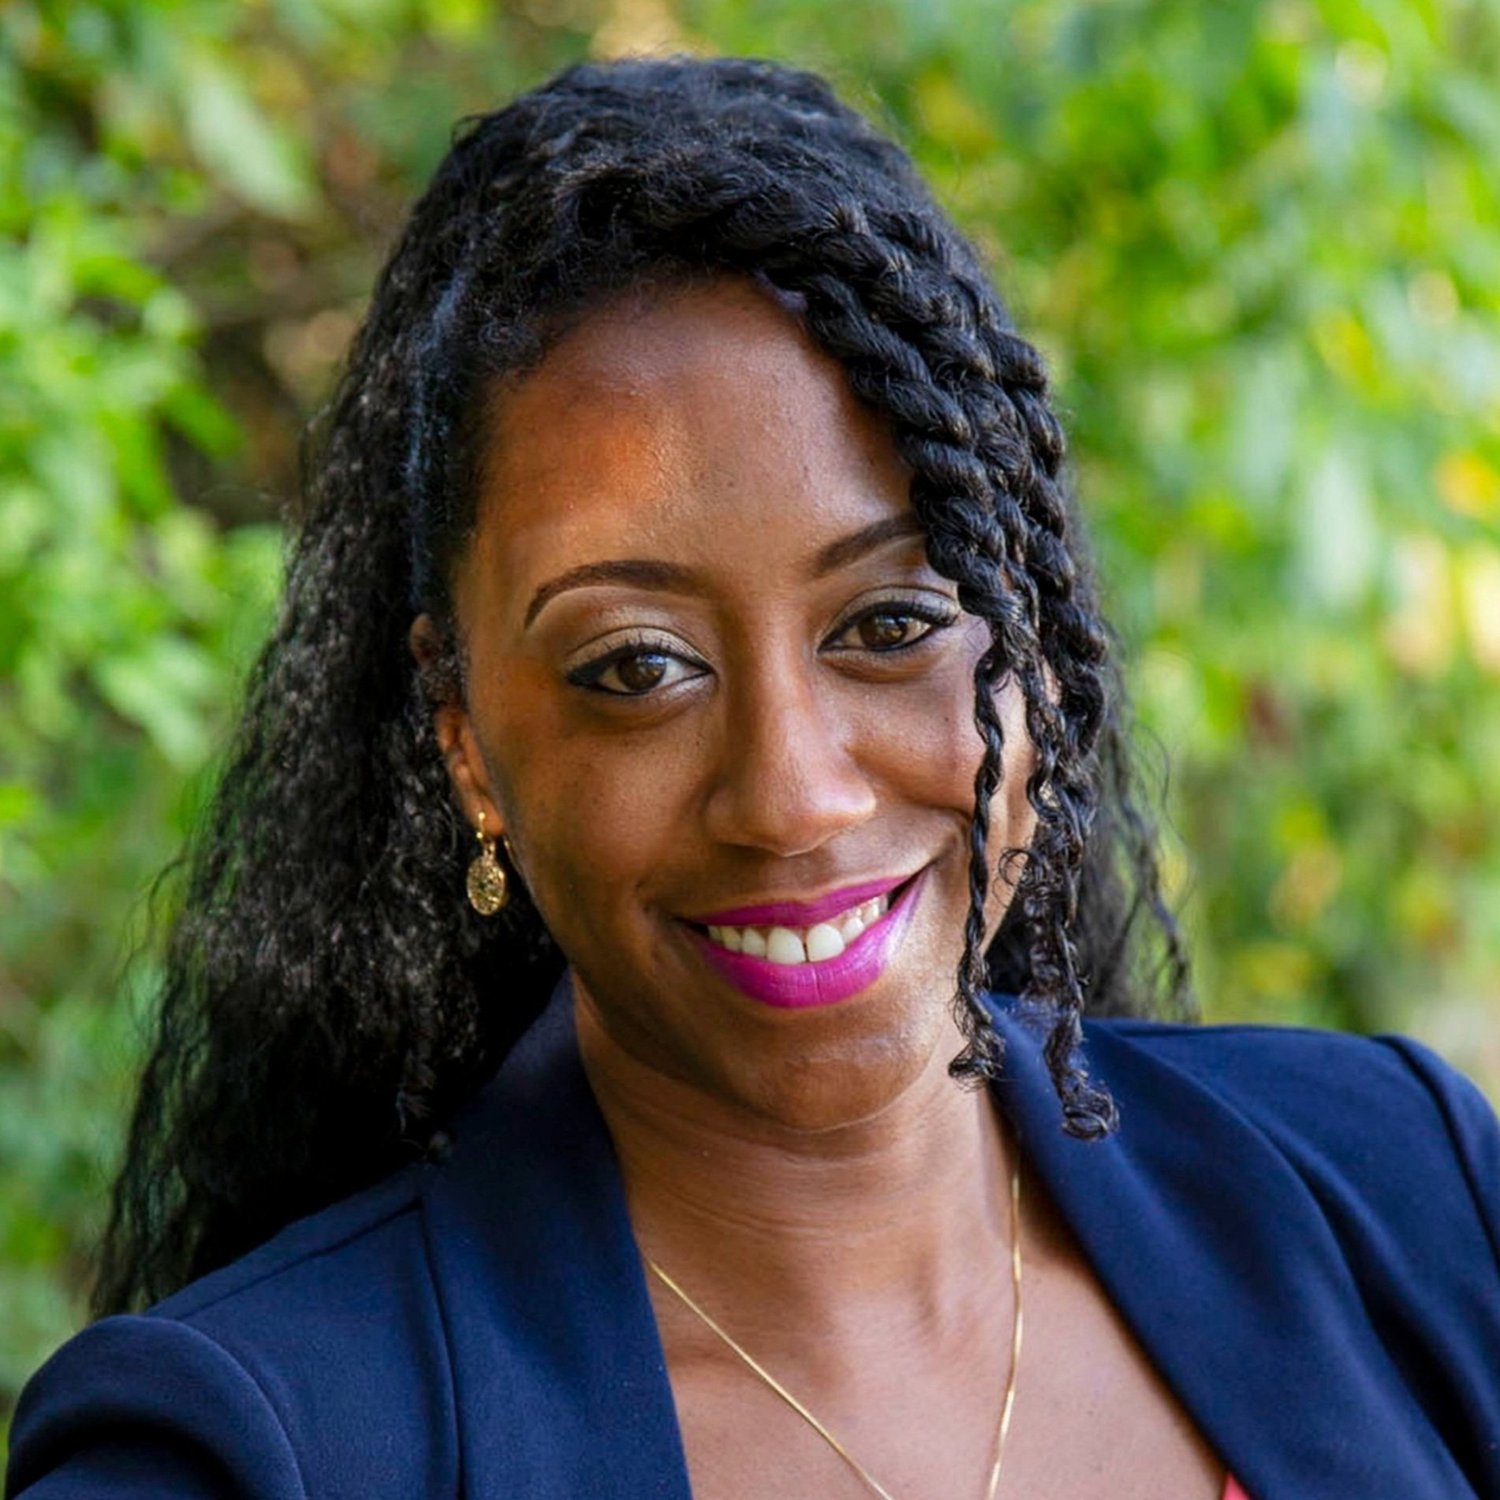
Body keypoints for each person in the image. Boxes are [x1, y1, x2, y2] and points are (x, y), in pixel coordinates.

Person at [6, 55, 1498, 1500]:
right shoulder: (249, 1452)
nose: (791, 797)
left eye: (890, 626)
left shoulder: (1406, 1193)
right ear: (467, 742)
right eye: (636, 668)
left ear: (1031, 643)